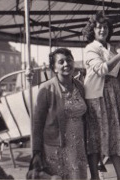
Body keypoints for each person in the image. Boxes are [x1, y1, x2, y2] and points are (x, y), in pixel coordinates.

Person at [82, 11, 120, 180]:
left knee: (114, 137)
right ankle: (95, 177)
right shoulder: (90, 49)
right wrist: (119, 56)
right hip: (97, 96)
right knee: (96, 138)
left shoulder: (110, 48)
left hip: (112, 95)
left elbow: (118, 71)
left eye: (105, 27)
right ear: (93, 30)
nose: (102, 30)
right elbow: (102, 69)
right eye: (98, 27)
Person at [32, 48, 88, 179]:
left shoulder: (80, 86)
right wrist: (36, 151)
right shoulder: (46, 88)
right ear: (54, 68)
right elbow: (37, 123)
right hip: (56, 146)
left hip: (78, 146)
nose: (66, 64)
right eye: (61, 62)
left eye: (69, 60)